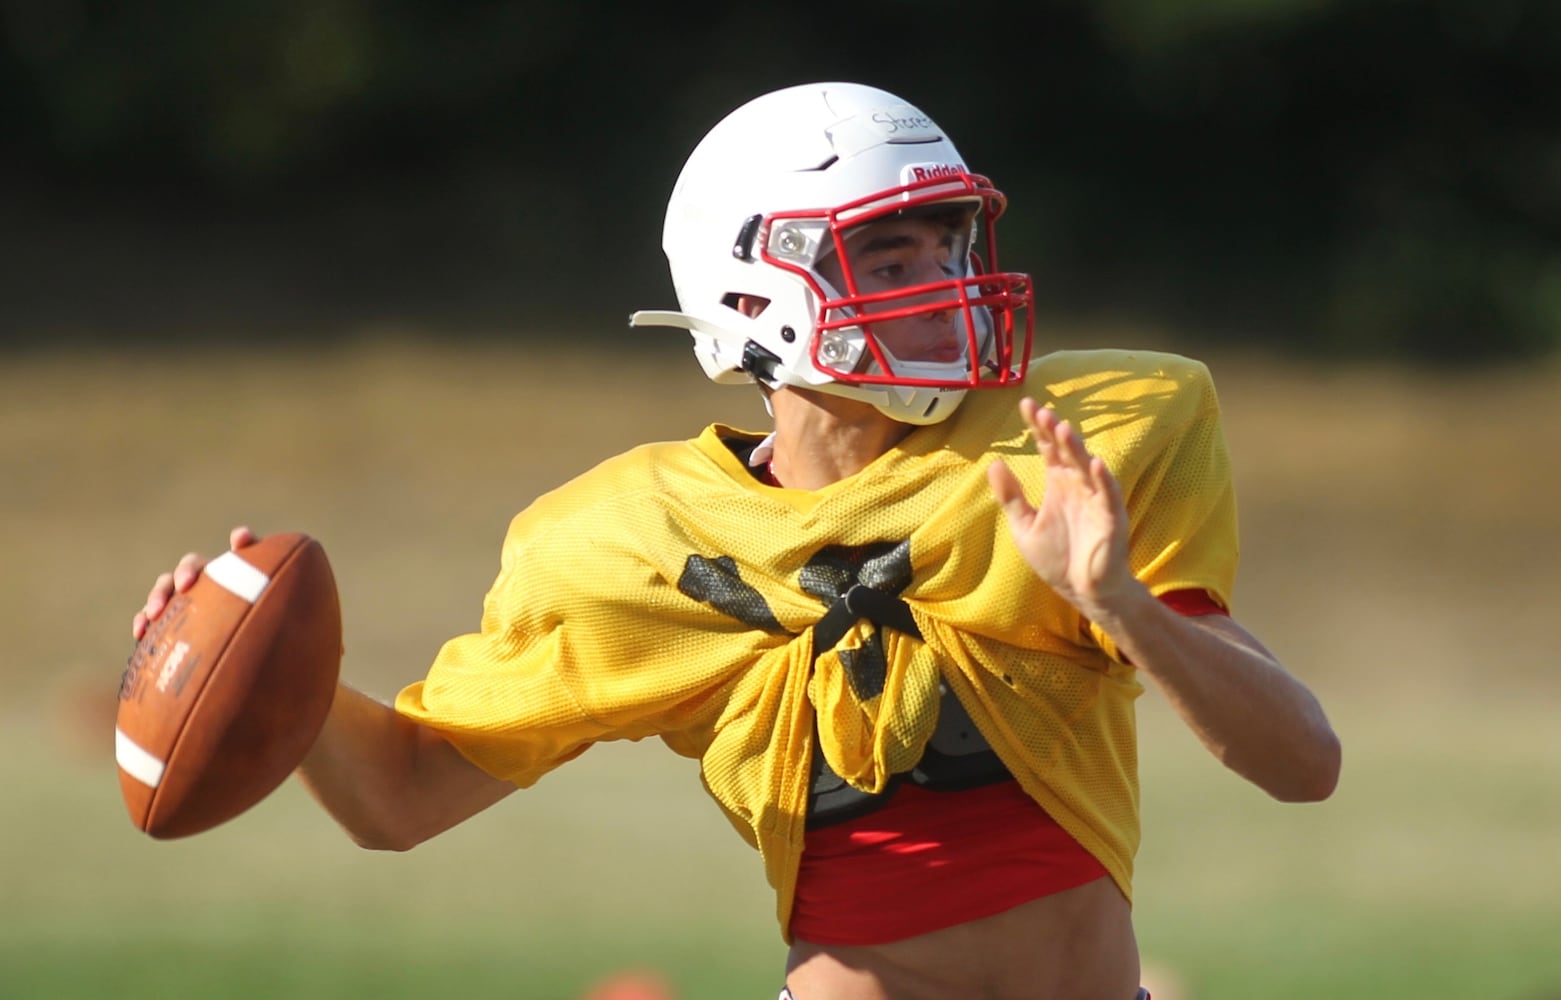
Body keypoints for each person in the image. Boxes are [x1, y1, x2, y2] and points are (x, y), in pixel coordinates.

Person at [131, 82, 1341, 1000]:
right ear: (757, 289)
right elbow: (395, 795)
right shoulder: (625, 542)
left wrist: (1120, 600)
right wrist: (257, 659)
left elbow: (1302, 763)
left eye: (948, 244)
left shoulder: (1084, 440)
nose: (943, 283)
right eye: (891, 253)